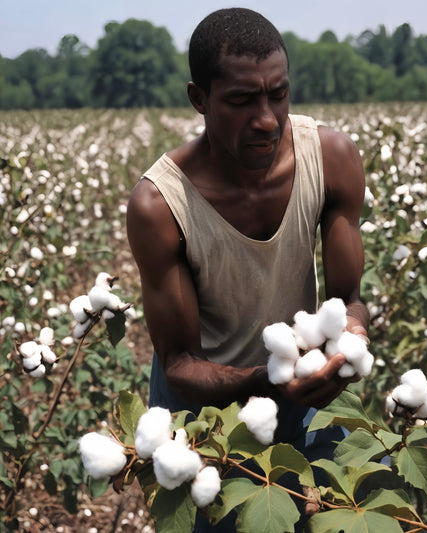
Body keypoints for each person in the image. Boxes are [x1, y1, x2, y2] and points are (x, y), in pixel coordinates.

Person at [127, 7, 370, 531]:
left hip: (301, 391)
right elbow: (180, 362)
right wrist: (266, 381)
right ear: (199, 100)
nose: (266, 118)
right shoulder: (161, 205)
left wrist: (351, 335)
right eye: (241, 100)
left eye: (278, 94)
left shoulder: (331, 158)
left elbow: (349, 297)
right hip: (204, 412)